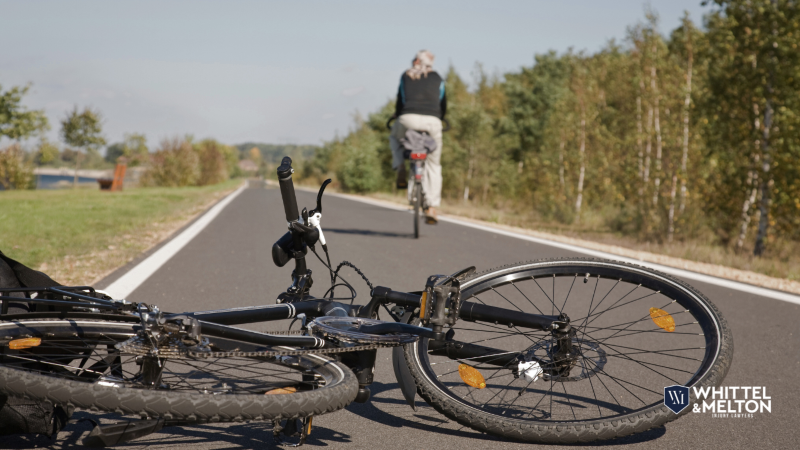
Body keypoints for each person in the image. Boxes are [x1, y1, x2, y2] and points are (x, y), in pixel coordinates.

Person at [390, 50, 447, 224]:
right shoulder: (438, 77)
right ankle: (431, 206)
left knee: (394, 138)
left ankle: (400, 165)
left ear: (415, 61)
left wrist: (398, 116)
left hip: (408, 119)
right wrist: (440, 118)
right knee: (433, 163)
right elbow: (443, 102)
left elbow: (401, 100)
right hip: (433, 122)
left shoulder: (406, 76)